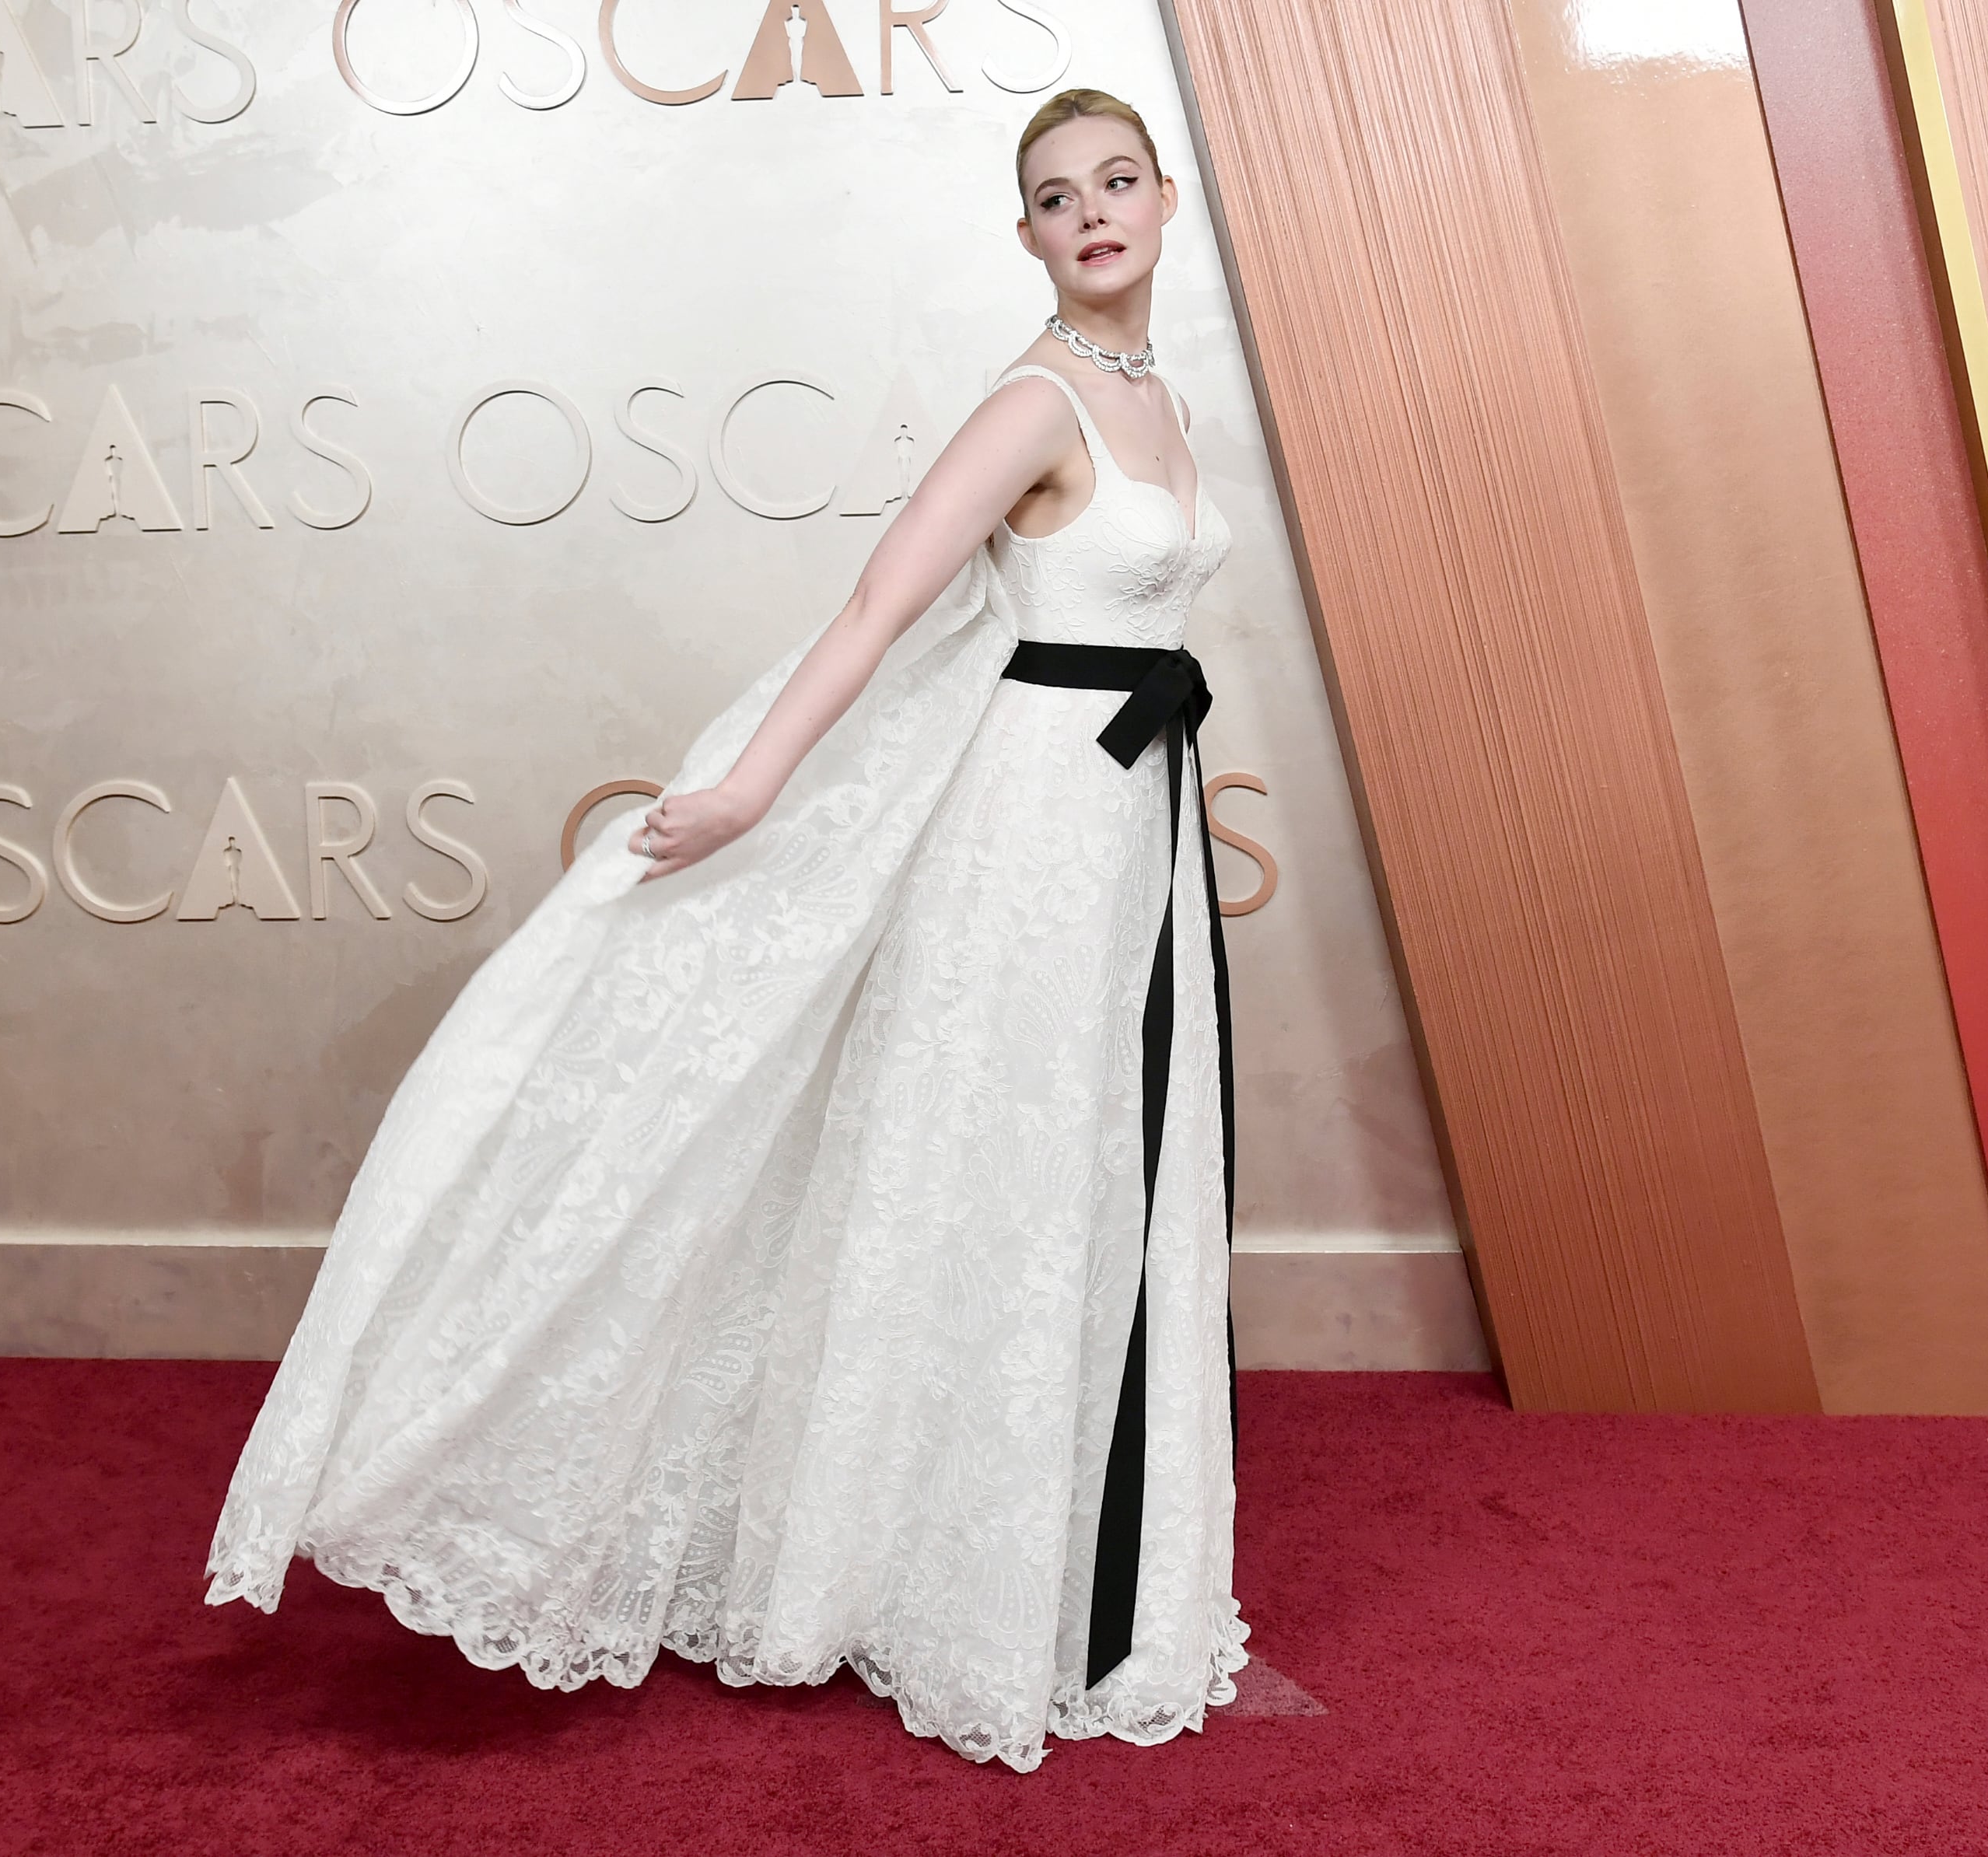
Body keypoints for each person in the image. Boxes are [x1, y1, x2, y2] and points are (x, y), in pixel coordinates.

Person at [207, 88, 1246, 1773]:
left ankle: (1056, 1578)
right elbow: (875, 608)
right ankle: (932, 1586)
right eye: (1058, 197)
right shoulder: (1033, 402)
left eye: (1118, 182)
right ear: (1028, 236)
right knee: (998, 1181)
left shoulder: (1161, 401)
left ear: (1165, 199)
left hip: (1131, 835)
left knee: (1088, 1190)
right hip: (1030, 840)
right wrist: (754, 788)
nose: (1093, 213)